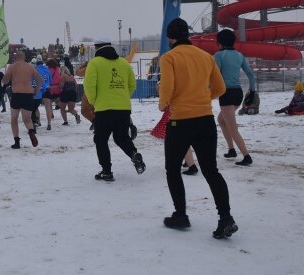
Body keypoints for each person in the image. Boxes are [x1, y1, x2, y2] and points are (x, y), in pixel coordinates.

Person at [159, 18, 238, 239]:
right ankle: (226, 218)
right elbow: (220, 87)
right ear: (188, 35)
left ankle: (181, 215)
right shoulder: (206, 57)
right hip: (205, 119)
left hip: (180, 121)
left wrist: (163, 104)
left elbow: (167, 89)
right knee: (211, 170)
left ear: (170, 37)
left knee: (173, 169)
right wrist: (203, 98)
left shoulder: (169, 58)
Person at [83, 37, 145, 181]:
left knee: (101, 140)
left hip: (104, 109)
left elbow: (89, 85)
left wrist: (94, 102)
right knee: (122, 137)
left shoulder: (94, 63)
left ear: (97, 48)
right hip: (123, 108)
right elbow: (132, 85)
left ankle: (107, 171)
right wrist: (122, 97)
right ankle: (134, 154)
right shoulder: (123, 63)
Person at [214, 29, 257, 166]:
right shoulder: (239, 55)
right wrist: (253, 91)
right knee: (221, 119)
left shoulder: (219, 55)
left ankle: (246, 156)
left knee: (233, 128)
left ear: (219, 42)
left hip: (226, 94)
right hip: (238, 93)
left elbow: (216, 75)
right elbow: (250, 75)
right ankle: (231, 149)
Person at [1, 51, 41, 148]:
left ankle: (17, 142)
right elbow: (40, 80)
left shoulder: (12, 66)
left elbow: (4, 81)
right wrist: (36, 90)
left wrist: (6, 76)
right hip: (28, 95)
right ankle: (31, 132)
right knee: (27, 119)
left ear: (15, 58)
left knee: (14, 119)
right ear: (24, 57)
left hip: (16, 95)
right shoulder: (30, 67)